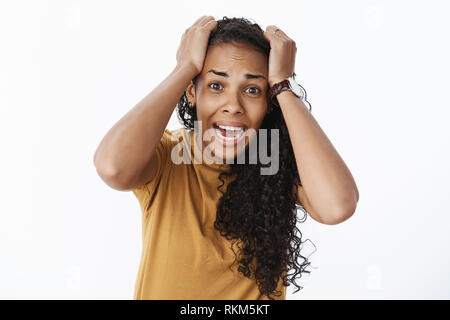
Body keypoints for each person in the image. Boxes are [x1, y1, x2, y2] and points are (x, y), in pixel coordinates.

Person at [93, 15, 359, 300]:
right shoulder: (168, 156)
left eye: (252, 89)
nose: (233, 105)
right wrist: (184, 67)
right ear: (192, 93)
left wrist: (282, 84)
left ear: (269, 102)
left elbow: (337, 206)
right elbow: (112, 167)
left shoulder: (276, 164)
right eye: (216, 86)